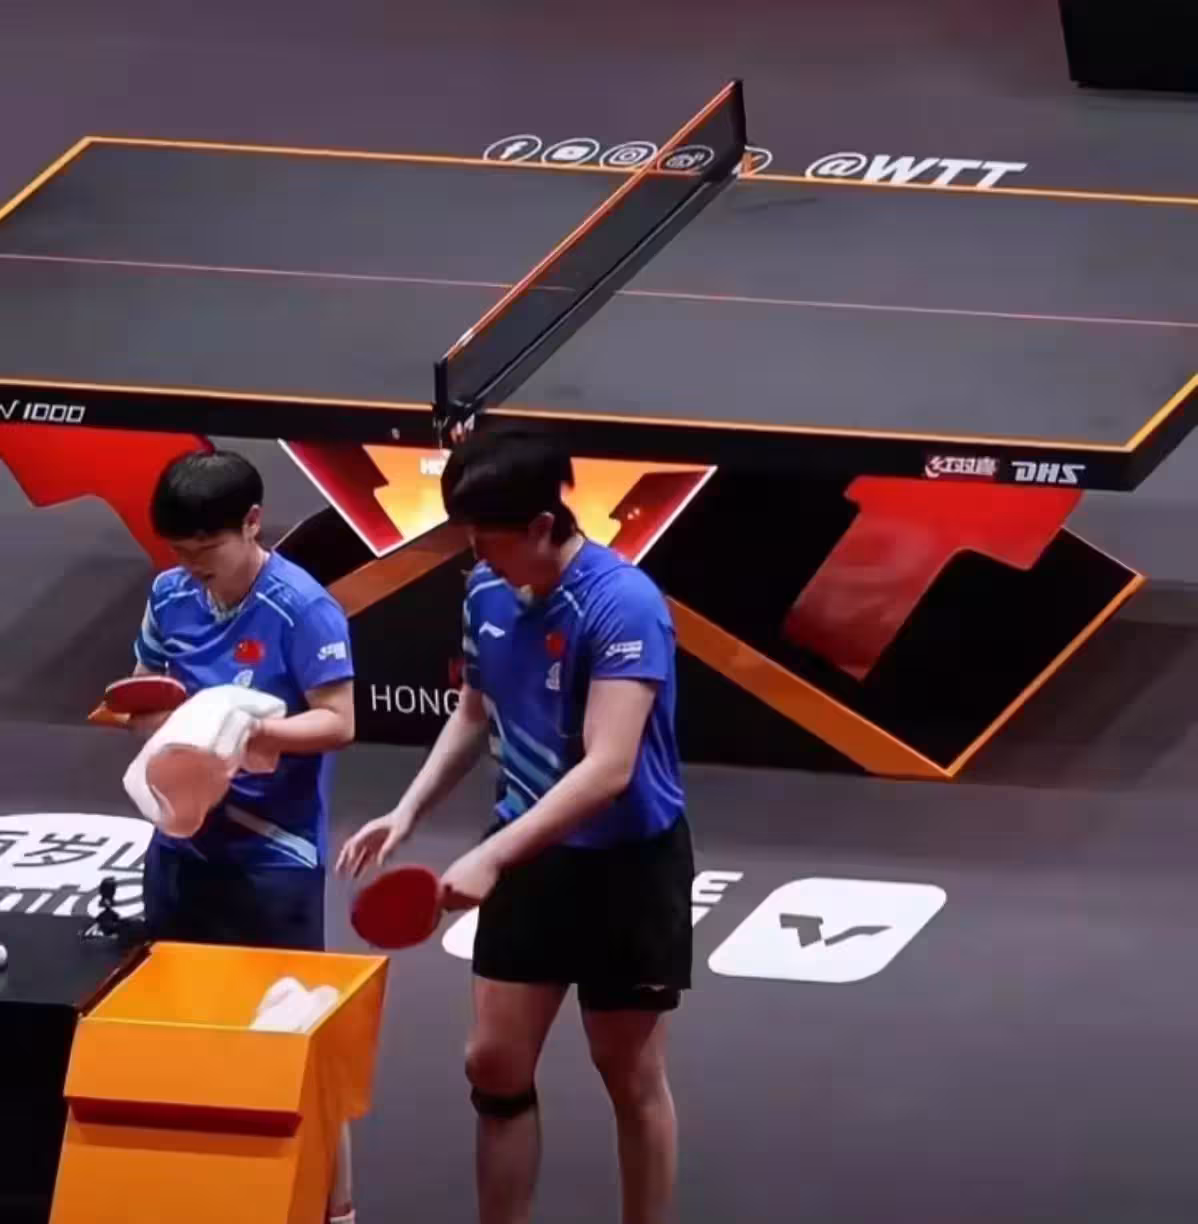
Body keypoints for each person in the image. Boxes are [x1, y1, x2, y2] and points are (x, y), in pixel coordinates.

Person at [337, 424, 694, 1224]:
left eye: (487, 539)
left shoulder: (623, 604)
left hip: (626, 867)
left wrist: (493, 856)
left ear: (541, 524)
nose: (475, 555)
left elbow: (608, 768)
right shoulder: (485, 592)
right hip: (531, 858)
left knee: (628, 1074)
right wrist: (408, 810)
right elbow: (474, 712)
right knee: (493, 1065)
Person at [126, 448, 359, 1224]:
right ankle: (206, 1188)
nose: (193, 566)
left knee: (296, 1037)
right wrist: (171, 737)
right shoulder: (169, 595)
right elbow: (146, 693)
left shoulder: (304, 608)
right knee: (181, 1022)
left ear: (253, 523)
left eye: (208, 549)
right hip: (183, 839)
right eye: (179, 550)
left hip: (273, 852)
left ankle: (334, 1207)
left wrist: (251, 735)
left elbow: (338, 721)